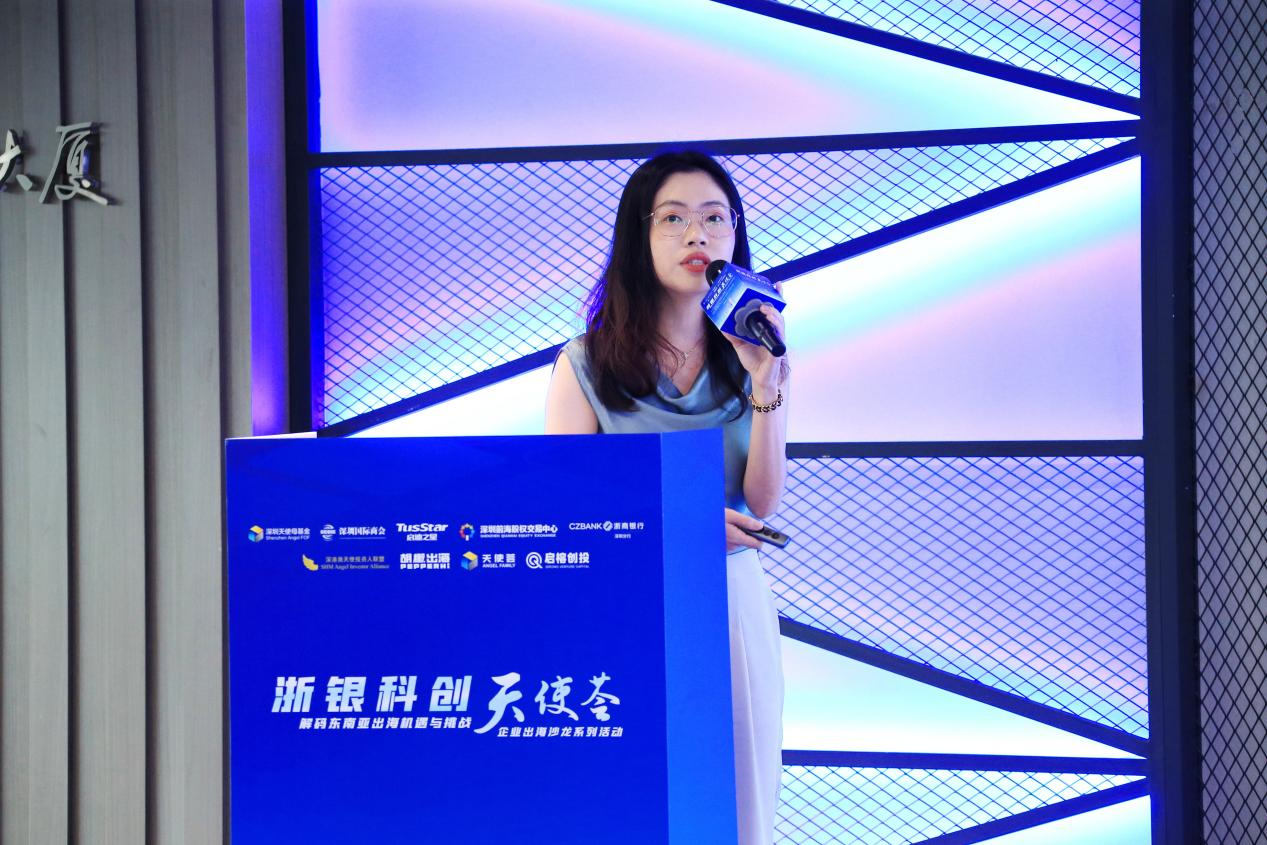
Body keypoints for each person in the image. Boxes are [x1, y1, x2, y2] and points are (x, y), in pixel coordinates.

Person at [545, 149, 787, 845]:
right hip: (623, 590)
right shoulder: (586, 361)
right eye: (674, 219)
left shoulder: (757, 352)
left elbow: (762, 498)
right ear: (639, 235)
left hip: (727, 592)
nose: (697, 236)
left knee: (737, 788)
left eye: (714, 218)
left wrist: (766, 379)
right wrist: (680, 523)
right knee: (630, 790)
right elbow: (564, 504)